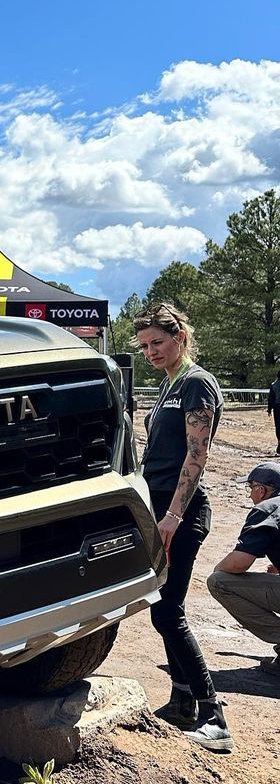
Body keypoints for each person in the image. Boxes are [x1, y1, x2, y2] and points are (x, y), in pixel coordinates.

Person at [134, 303, 233, 752]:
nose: (151, 351)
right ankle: (181, 700)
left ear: (180, 337)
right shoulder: (170, 383)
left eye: (158, 342)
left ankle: (213, 713)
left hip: (183, 514)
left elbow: (196, 457)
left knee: (168, 611)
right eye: (145, 346)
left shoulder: (195, 383)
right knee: (160, 606)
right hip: (159, 509)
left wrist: (172, 516)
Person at [207, 461, 280, 677]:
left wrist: (219, 568)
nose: (250, 495)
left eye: (250, 488)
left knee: (218, 581)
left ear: (261, 490)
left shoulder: (268, 508)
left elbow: (238, 563)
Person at [268, 369, 280, 455]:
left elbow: (270, 398)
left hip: (277, 408)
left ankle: (279, 441)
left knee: (278, 426)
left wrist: (269, 409)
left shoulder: (274, 385)